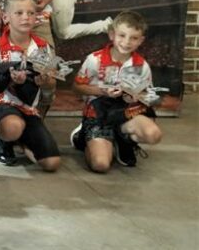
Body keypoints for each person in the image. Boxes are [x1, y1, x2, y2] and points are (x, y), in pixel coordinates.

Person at [70, 11, 163, 172]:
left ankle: (122, 138)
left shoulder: (142, 65)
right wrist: (103, 91)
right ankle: (83, 136)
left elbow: (147, 96)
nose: (126, 42)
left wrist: (137, 96)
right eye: (122, 35)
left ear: (141, 40)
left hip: (125, 112)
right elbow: (76, 88)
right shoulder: (95, 59)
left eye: (134, 38)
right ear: (112, 35)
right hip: (98, 113)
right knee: (100, 165)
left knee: (153, 134)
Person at [0, 0, 61, 171]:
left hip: (29, 108)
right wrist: (6, 79)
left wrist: (44, 80)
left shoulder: (43, 47)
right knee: (13, 126)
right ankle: (1, 137)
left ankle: (20, 138)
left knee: (52, 163)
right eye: (19, 13)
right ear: (5, 17)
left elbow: (50, 84)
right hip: (1, 104)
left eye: (30, 13)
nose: (26, 17)